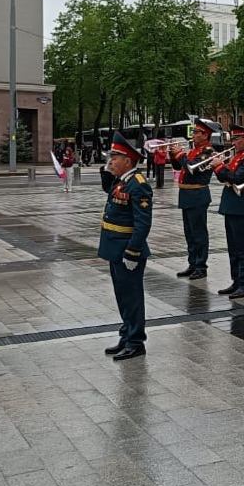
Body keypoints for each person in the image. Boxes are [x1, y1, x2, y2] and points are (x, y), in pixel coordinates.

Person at [98, 132, 153, 361]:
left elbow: (142, 223)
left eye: (115, 157)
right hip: (114, 247)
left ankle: (135, 341)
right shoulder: (123, 181)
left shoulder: (138, 185)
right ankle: (126, 334)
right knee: (122, 296)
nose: (111, 160)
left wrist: (133, 251)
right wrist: (107, 172)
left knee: (131, 297)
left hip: (127, 250)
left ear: (128, 161)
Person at [212, 124, 244, 299]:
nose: (233, 142)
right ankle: (237, 281)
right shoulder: (236, 157)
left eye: (236, 138)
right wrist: (217, 167)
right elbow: (224, 178)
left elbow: (237, 178)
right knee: (233, 248)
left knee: (243, 248)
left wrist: (220, 167)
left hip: (242, 207)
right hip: (231, 205)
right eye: (233, 138)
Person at [169, 119, 215, 279]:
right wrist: (173, 154)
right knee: (189, 232)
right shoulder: (194, 151)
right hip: (187, 195)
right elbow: (179, 167)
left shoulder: (207, 152)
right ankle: (193, 262)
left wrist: (180, 154)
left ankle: (201, 266)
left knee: (198, 233)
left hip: (197, 195)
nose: (193, 135)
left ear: (205, 135)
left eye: (196, 132)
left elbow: (192, 168)